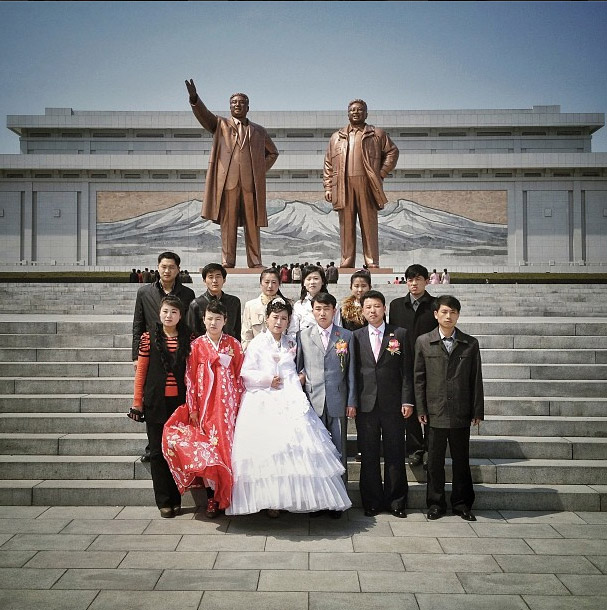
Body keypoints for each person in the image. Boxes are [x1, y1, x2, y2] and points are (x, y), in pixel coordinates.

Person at [227, 298, 352, 518]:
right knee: (270, 451)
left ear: (289, 321)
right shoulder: (257, 343)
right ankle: (269, 500)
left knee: (293, 452)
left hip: (289, 398)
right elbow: (246, 374)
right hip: (263, 400)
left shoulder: (291, 344)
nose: (279, 322)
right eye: (275, 317)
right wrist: (267, 380)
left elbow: (296, 370)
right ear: (267, 319)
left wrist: (299, 377)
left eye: (284, 318)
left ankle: (290, 498)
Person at [162, 301, 244, 518]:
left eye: (218, 319)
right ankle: (212, 499)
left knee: (229, 450)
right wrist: (193, 408)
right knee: (210, 451)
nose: (213, 322)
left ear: (225, 320)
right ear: (204, 320)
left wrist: (240, 406)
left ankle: (231, 496)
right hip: (206, 409)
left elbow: (240, 377)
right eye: (210, 318)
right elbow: (190, 379)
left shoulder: (233, 344)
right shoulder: (197, 345)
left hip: (228, 410)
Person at [186, 79, 279, 269]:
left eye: (241, 102)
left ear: (248, 107)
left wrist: (259, 170)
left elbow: (273, 153)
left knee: (253, 224)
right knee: (227, 224)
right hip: (228, 183)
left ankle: (255, 261)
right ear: (230, 107)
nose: (237, 105)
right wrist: (195, 99)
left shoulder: (259, 131)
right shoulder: (221, 125)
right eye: (234, 102)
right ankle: (228, 261)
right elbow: (205, 117)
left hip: (250, 185)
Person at [414, 295, 484, 522]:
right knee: (434, 461)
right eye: (444, 312)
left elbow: (476, 379)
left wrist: (477, 410)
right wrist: (421, 408)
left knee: (461, 460)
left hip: (461, 411)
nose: (448, 316)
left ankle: (462, 503)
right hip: (435, 411)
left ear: (458, 315)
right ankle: (435, 504)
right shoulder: (424, 341)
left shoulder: (470, 343)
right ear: (436, 314)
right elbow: (419, 378)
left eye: (453, 312)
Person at [127, 295, 192, 518]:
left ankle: (176, 498)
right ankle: (164, 500)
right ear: (159, 313)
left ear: (180, 315)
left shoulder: (189, 338)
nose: (168, 316)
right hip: (156, 403)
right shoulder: (148, 338)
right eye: (165, 311)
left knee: (176, 451)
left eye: (174, 312)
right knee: (157, 452)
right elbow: (141, 372)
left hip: (180, 404)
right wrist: (137, 403)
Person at [352, 290, 414, 518]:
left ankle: (397, 501)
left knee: (395, 452)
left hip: (394, 404)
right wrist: (353, 402)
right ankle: (372, 502)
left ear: (384, 308)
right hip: (366, 405)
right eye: (368, 307)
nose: (372, 311)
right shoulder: (355, 336)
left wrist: (407, 399)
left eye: (377, 306)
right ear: (362, 310)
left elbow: (407, 371)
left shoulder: (399, 334)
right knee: (368, 455)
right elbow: (353, 373)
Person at [132, 251, 195, 462]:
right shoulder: (144, 292)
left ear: (178, 269)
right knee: (154, 398)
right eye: (163, 266)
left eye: (171, 267)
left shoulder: (187, 294)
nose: (167, 270)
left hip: (177, 349)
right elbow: (138, 325)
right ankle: (153, 448)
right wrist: (136, 355)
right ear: (158, 267)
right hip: (152, 349)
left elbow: (189, 325)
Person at [323, 99, 399, 269]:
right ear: (347, 113)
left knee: (369, 223)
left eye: (360, 110)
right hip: (343, 184)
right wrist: (328, 186)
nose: (356, 112)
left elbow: (392, 152)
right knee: (346, 224)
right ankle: (347, 259)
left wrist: (381, 172)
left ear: (366, 113)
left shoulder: (377, 134)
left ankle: (372, 261)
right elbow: (328, 163)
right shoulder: (336, 137)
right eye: (352, 110)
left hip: (367, 183)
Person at [296, 292, 357, 502]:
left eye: (326, 309)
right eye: (318, 309)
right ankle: (318, 498)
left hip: (338, 400)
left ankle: (340, 499)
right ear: (312, 311)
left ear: (334, 311)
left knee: (339, 450)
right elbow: (299, 368)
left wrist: (351, 401)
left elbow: (351, 372)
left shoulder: (346, 336)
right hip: (313, 402)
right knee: (316, 452)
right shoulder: (303, 335)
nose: (322, 313)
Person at [388, 264, 438, 468]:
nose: (413, 283)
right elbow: (392, 333)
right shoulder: (396, 305)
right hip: (405, 361)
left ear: (426, 280)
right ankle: (416, 449)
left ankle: (431, 450)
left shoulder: (435, 304)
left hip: (430, 361)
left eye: (418, 279)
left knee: (431, 406)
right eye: (410, 279)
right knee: (411, 405)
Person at [241, 267, 292, 351]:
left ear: (279, 284)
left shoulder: (287, 305)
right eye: (267, 282)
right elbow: (246, 335)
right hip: (257, 354)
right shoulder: (250, 306)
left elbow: (290, 331)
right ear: (261, 283)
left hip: (281, 353)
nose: (270, 286)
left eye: (274, 282)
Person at [186, 263, 241, 341]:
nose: (215, 281)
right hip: (204, 348)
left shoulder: (234, 302)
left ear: (224, 280)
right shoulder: (196, 304)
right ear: (204, 281)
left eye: (218, 277)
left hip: (229, 347)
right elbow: (191, 332)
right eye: (211, 277)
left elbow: (237, 330)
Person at [292, 264, 336, 334]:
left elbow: (339, 331)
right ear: (303, 282)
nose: (312, 282)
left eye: (316, 278)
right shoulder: (299, 305)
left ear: (323, 282)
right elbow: (293, 332)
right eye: (308, 279)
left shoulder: (333, 303)